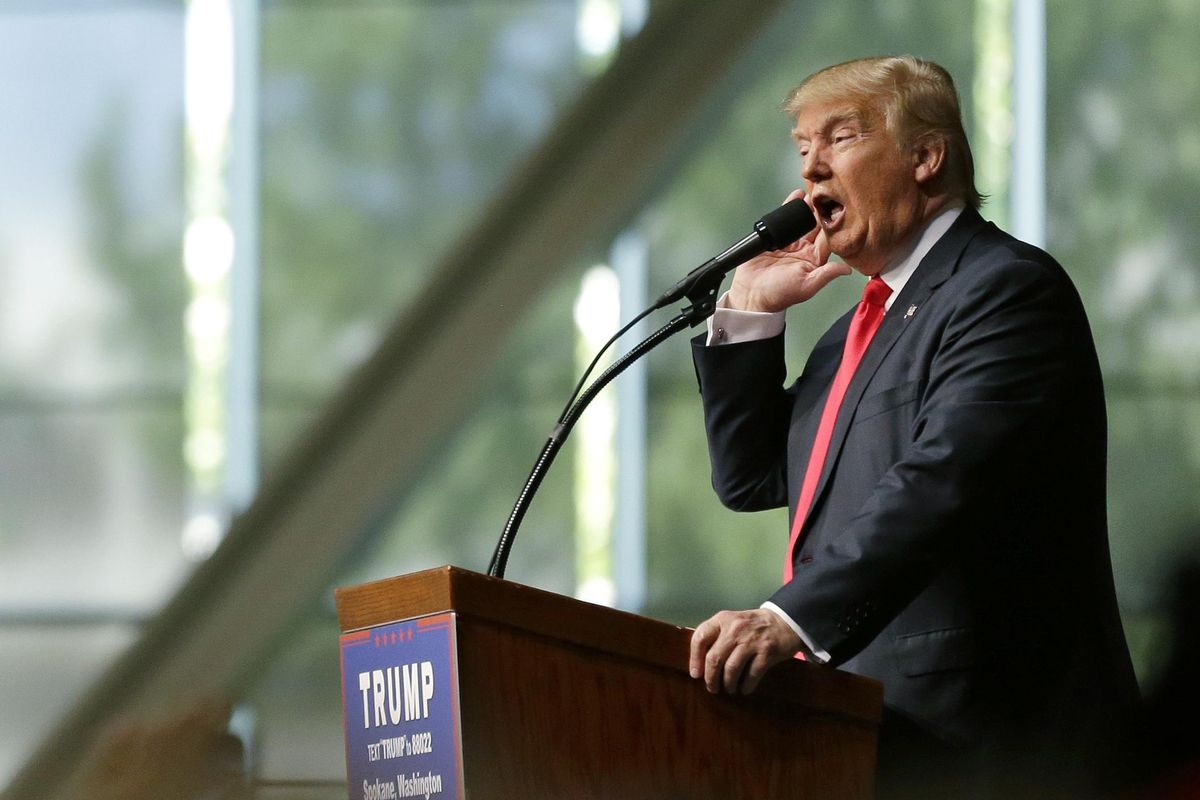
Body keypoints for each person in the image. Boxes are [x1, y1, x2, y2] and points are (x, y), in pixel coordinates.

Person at [686, 55, 1140, 797]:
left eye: (840, 138)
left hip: (998, 746)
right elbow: (754, 476)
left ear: (926, 157)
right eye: (804, 151)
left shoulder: (1004, 290)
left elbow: (943, 480)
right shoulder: (853, 332)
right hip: (873, 739)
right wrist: (752, 316)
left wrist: (788, 619)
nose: (813, 174)